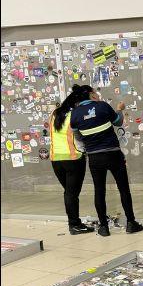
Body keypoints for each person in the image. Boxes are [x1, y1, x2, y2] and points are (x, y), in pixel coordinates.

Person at [70, 87, 143, 236]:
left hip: (95, 157)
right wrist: (119, 109)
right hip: (113, 154)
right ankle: (131, 223)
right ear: (91, 95)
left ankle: (103, 227)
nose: (97, 95)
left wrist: (89, 145)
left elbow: (77, 136)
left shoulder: (75, 114)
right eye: (95, 93)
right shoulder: (102, 106)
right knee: (123, 189)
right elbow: (118, 122)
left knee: (99, 191)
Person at [49, 85, 93, 235]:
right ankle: (74, 224)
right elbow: (81, 135)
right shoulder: (75, 114)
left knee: (69, 192)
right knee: (71, 193)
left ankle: (74, 223)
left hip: (56, 160)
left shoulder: (55, 114)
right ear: (77, 103)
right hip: (73, 158)